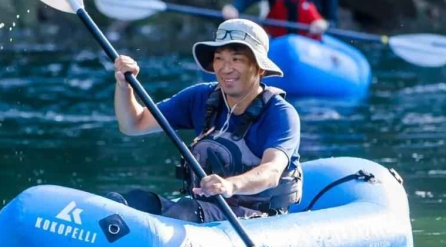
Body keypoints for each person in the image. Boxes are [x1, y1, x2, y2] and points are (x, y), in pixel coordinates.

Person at [109, 18, 302, 223]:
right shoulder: (200, 98)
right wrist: (124, 86)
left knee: (184, 210)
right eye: (219, 58)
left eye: (236, 59)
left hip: (255, 217)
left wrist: (230, 185)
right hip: (204, 209)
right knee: (130, 201)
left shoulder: (280, 114)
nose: (225, 68)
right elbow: (133, 124)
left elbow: (271, 171)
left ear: (260, 68)